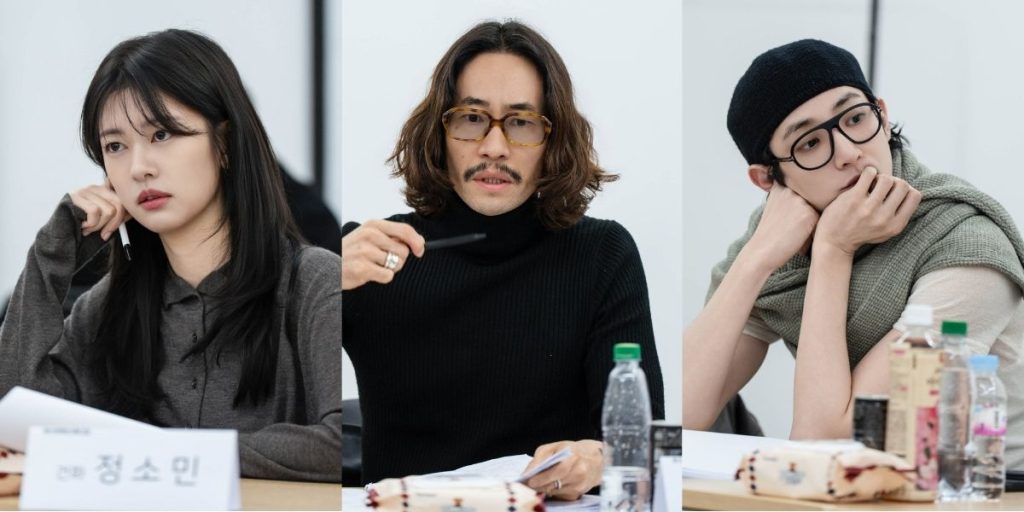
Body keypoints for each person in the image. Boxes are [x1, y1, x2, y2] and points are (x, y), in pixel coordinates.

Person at [341, 20, 665, 498]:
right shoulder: (371, 254)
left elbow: (653, 445)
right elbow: (258, 397)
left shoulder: (602, 255)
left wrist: (601, 457)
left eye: (521, 122)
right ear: (441, 131)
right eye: (471, 118)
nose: (494, 147)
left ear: (552, 140)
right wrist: (317, 280)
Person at [0, 29, 341, 481]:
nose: (139, 167)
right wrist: (50, 258)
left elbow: (339, 443)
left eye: (162, 134)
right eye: (115, 146)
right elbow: (16, 423)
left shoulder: (314, 282)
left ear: (224, 142)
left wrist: (158, 453)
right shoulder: (103, 308)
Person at [682, 39, 1024, 469]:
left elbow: (822, 446)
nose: (848, 153)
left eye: (856, 118)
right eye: (809, 143)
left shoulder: (964, 244)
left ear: (881, 114)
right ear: (768, 179)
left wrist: (834, 250)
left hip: (984, 494)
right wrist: (755, 260)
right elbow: (678, 419)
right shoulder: (780, 245)